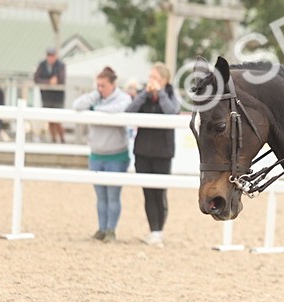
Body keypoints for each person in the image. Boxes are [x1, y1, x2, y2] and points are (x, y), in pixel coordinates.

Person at [72, 67, 132, 242]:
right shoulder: (96, 97)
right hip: (97, 154)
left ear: (113, 84)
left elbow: (119, 109)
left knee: (113, 196)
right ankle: (101, 228)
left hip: (116, 154)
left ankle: (111, 230)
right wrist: (94, 97)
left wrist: (96, 109)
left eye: (103, 85)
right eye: (98, 85)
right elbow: (77, 106)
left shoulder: (123, 98)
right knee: (100, 196)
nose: (100, 88)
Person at [127, 63, 179, 247]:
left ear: (164, 80)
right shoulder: (144, 95)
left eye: (155, 78)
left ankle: (159, 231)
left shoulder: (171, 95)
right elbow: (129, 111)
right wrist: (144, 94)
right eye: (150, 77)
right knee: (148, 193)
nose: (151, 81)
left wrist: (161, 93)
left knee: (160, 193)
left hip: (163, 153)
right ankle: (153, 231)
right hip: (142, 151)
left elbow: (172, 112)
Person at [34, 46, 66, 143]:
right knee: (49, 119)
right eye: (49, 55)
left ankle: (61, 138)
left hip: (58, 97)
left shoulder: (61, 65)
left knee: (57, 119)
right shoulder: (42, 65)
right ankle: (53, 138)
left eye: (52, 55)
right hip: (46, 96)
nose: (51, 57)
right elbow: (36, 78)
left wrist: (54, 81)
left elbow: (61, 79)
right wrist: (48, 81)